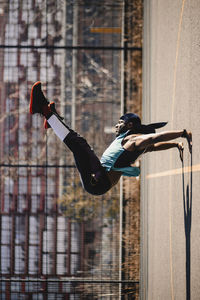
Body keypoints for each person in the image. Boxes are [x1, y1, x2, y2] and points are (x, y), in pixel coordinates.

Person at [29, 81, 192, 196]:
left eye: (120, 123)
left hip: (98, 182)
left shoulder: (132, 142)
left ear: (129, 126)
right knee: (80, 144)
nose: (116, 126)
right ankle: (52, 120)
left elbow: (155, 139)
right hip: (99, 175)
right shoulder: (126, 138)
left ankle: (43, 110)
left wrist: (182, 133)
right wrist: (176, 144)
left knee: (79, 146)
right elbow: (156, 146)